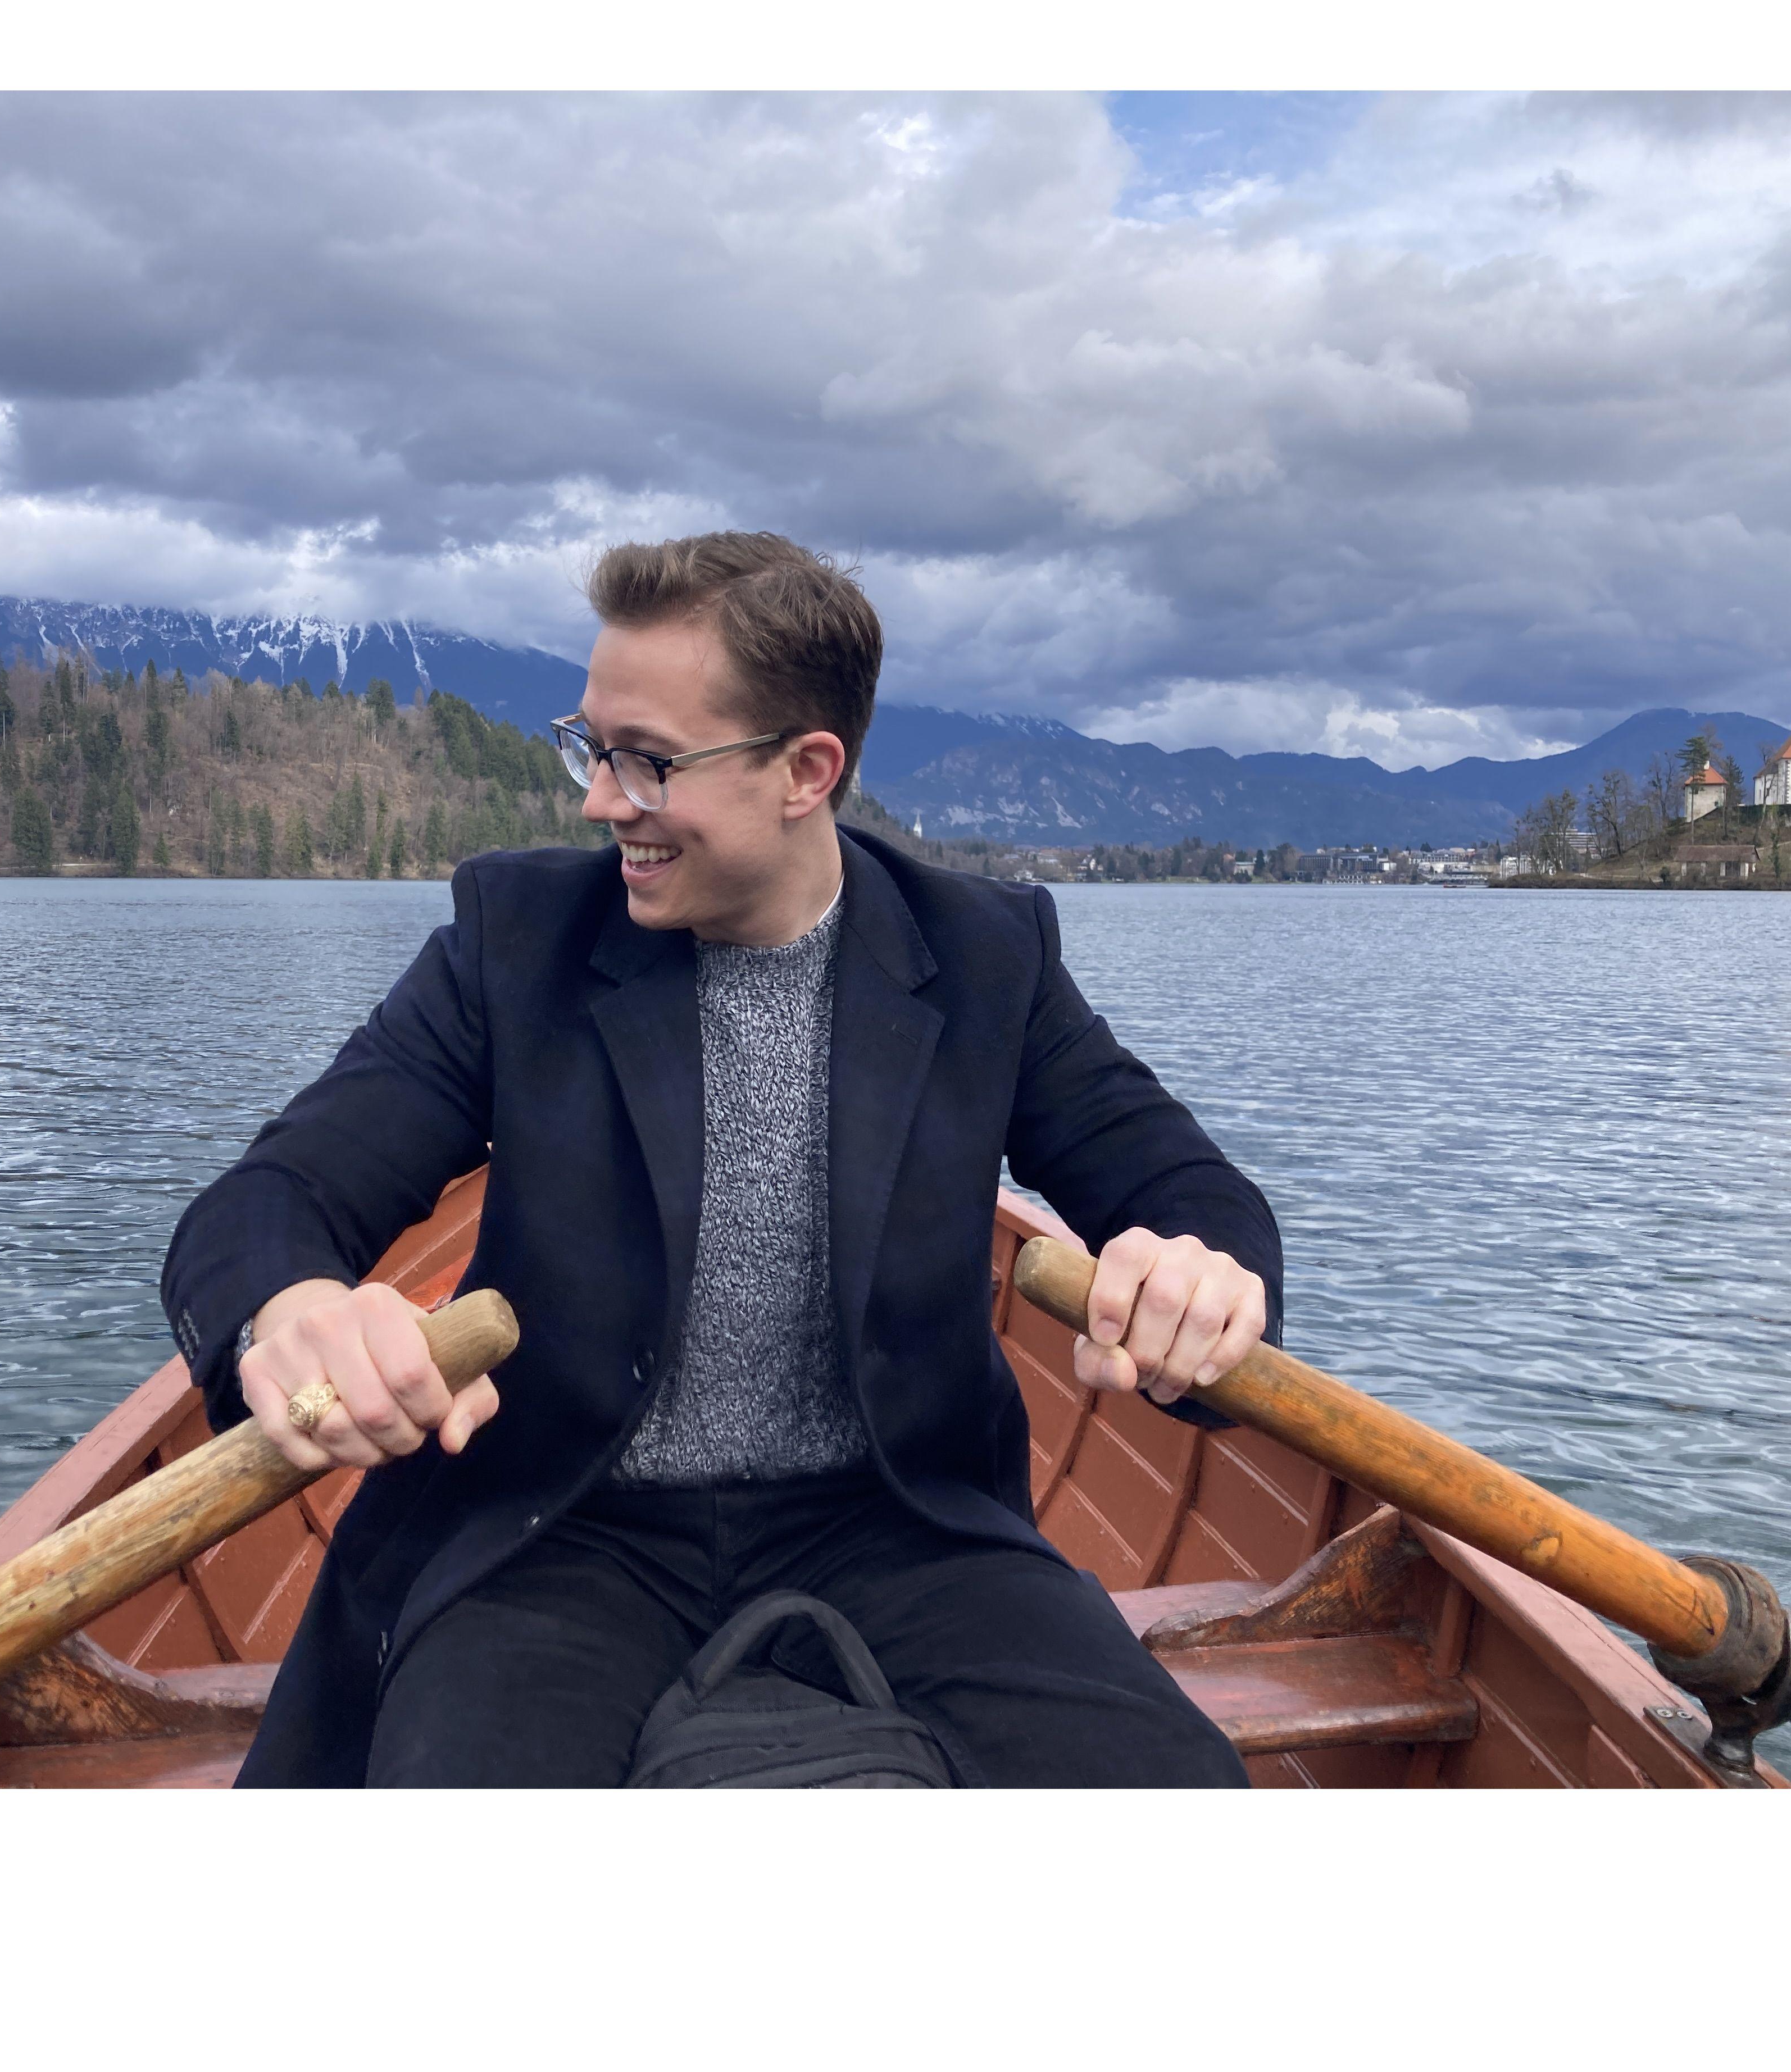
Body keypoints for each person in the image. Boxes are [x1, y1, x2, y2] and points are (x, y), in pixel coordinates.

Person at [160, 531, 1284, 1787]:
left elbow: (1187, 1190)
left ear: (806, 771)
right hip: (559, 1530)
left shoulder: (986, 955)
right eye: (590, 747)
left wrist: (1202, 1274)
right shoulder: (515, 940)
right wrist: (289, 1311)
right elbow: (277, 1195)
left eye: (646, 761)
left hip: (901, 1524)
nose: (599, 801)